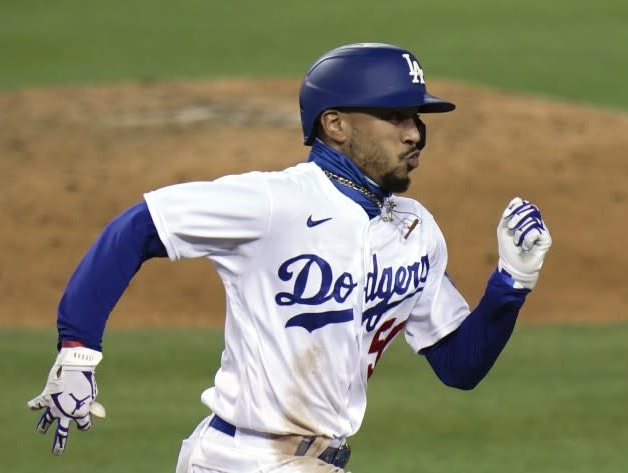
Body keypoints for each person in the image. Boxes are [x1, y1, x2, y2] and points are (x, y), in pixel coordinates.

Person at [27, 42, 552, 472]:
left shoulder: (414, 230)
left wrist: (512, 283)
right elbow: (138, 227)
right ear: (335, 125)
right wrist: (78, 349)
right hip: (239, 458)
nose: (414, 132)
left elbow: (460, 365)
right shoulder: (275, 202)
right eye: (393, 116)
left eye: (415, 116)